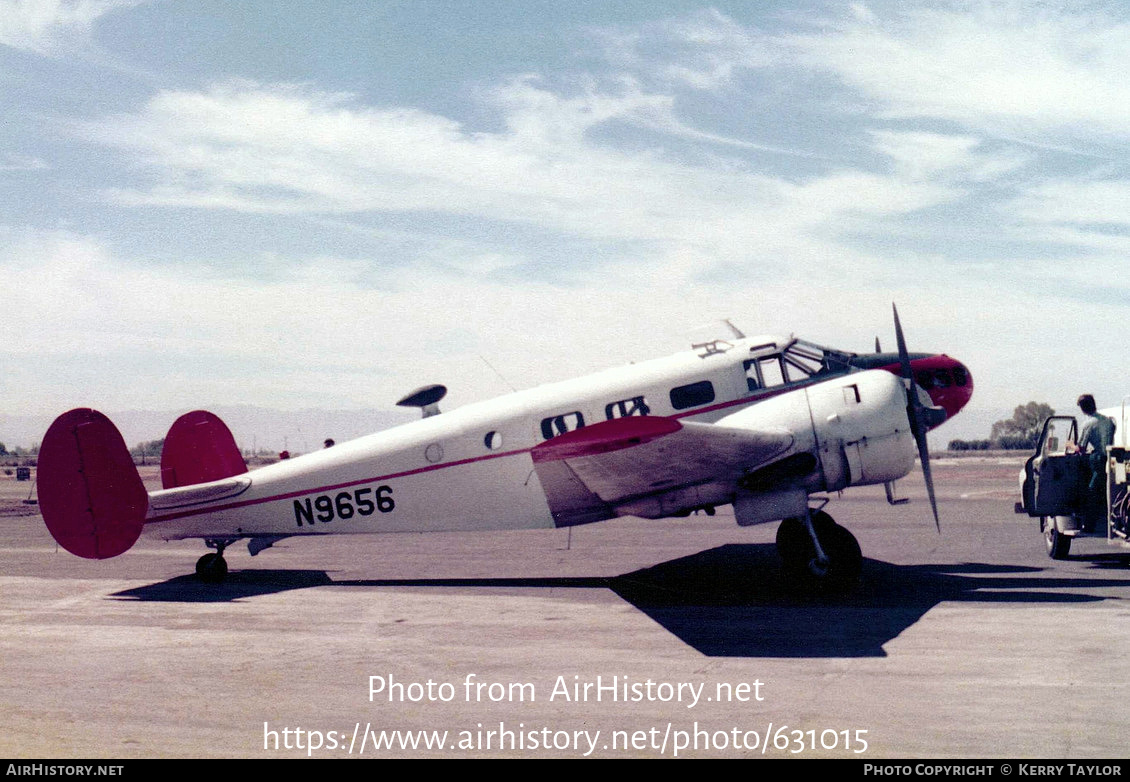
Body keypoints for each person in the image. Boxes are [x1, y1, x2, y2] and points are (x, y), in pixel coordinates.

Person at [1074, 394, 1116, 529]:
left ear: (1082, 408)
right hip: (1111, 459)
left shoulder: (1088, 424)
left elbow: (1080, 448)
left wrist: (1070, 445)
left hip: (1098, 461)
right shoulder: (1108, 421)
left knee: (1092, 491)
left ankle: (1089, 524)